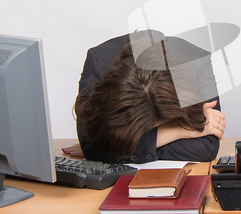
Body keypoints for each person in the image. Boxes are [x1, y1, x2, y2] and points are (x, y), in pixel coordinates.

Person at [63, 31, 225, 163]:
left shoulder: (196, 61)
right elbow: (91, 149)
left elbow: (205, 148)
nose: (150, 130)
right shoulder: (98, 62)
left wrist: (114, 149)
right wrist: (179, 130)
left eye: (159, 125)